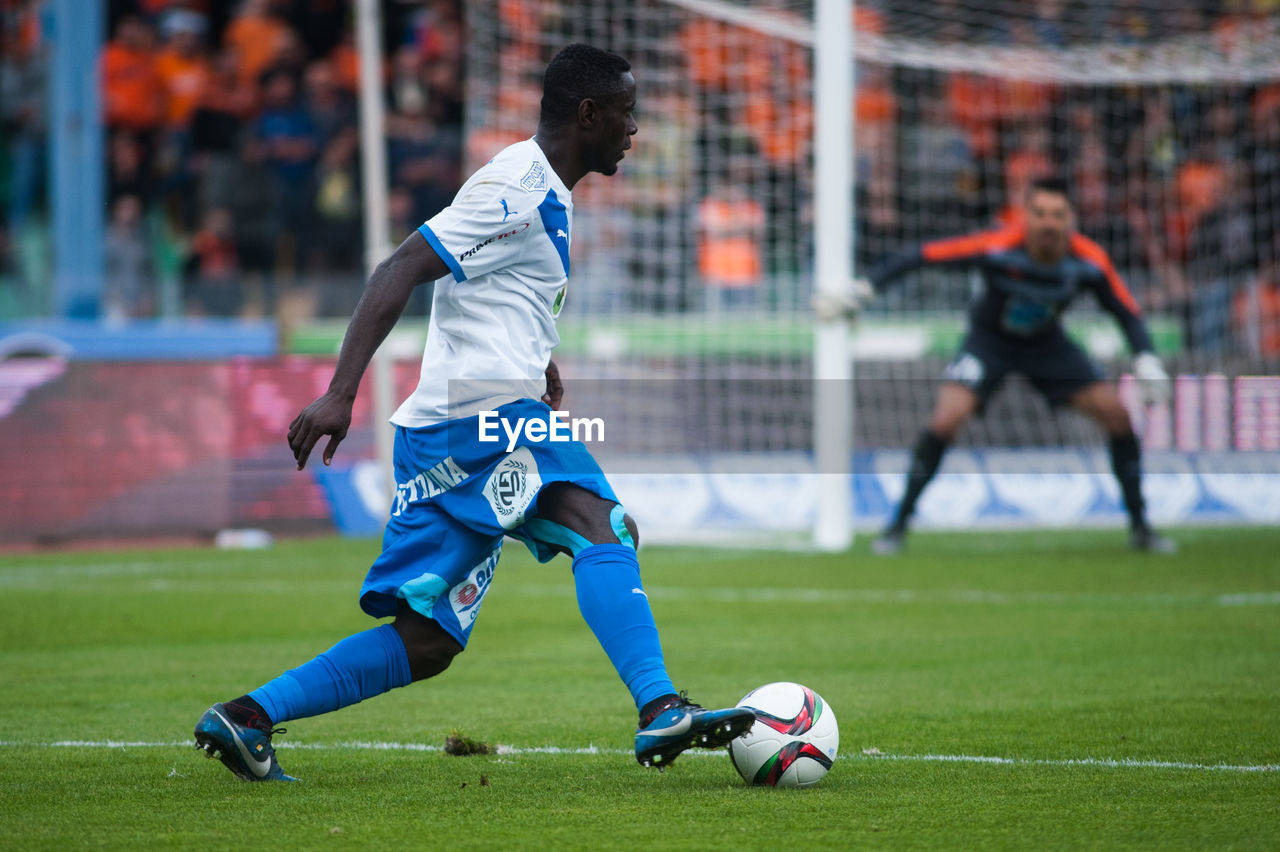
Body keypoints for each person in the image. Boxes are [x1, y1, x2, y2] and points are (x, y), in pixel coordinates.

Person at [194, 44, 755, 782]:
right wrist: (340, 393)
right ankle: (660, 709)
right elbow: (400, 268)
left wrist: (536, 357)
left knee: (428, 641)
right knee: (604, 525)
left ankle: (245, 718)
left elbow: (484, 287)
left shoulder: (545, 189)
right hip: (480, 420)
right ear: (588, 113)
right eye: (627, 112)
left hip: (452, 428)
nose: (635, 128)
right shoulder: (516, 186)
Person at [818, 176, 1177, 555]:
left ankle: (1141, 527)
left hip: (1049, 346)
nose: (1048, 224)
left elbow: (1127, 313)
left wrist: (1146, 358)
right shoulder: (997, 246)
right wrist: (865, 289)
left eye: (1057, 215)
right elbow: (922, 255)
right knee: (946, 419)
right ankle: (897, 526)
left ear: (1071, 219)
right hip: (989, 344)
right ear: (1025, 216)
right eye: (1039, 214)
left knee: (1117, 416)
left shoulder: (1089, 261)